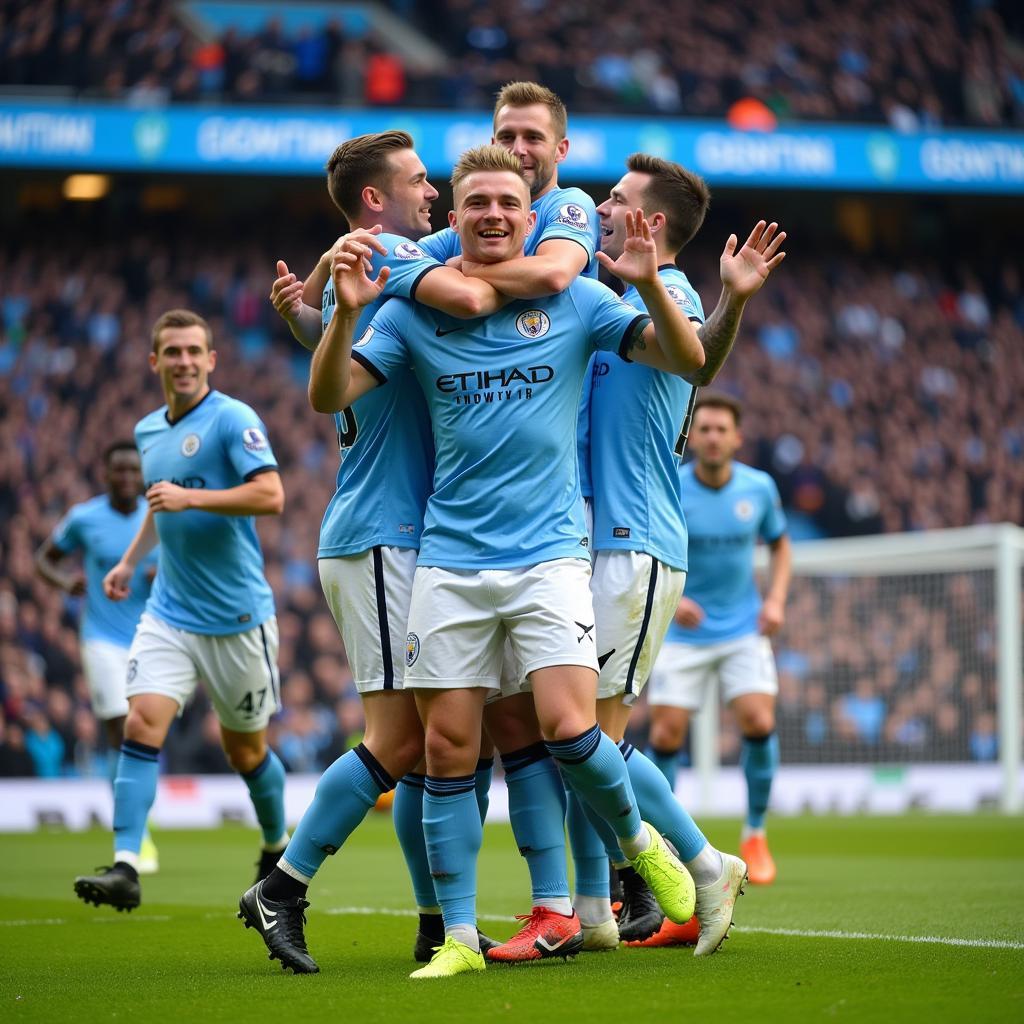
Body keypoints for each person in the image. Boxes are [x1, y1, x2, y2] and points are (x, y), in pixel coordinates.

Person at [310, 144, 706, 980]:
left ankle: (642, 846)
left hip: (549, 556)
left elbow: (684, 360)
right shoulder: (411, 310)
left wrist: (654, 286)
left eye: (506, 203)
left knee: (570, 727)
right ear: (453, 220)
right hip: (449, 561)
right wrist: (342, 313)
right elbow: (328, 395)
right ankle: (458, 938)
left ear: (532, 217)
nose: (491, 213)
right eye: (475, 202)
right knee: (449, 746)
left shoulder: (584, 299)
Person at [243, 130, 507, 974]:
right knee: (403, 745)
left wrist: (312, 299)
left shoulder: (378, 267)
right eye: (420, 181)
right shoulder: (396, 257)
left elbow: (341, 337)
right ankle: (283, 885)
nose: (435, 194)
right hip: (385, 537)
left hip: (399, 537)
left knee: (439, 748)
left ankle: (438, 924)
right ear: (375, 200)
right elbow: (468, 291)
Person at [581, 158, 787, 953]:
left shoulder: (673, 293)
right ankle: (602, 905)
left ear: (651, 223)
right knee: (574, 736)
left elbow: (700, 353)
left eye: (619, 199)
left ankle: (699, 864)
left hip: (634, 545)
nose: (603, 205)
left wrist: (733, 296)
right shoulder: (605, 294)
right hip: (589, 542)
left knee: (586, 736)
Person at [73, 309, 287, 912]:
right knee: (141, 725)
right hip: (169, 610)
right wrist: (128, 561)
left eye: (195, 351)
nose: (185, 362)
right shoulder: (146, 432)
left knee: (245, 751)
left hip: (239, 618)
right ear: (155, 362)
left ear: (211, 359)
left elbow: (271, 494)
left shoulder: (233, 419)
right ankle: (126, 864)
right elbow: (158, 506)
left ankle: (276, 844)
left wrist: (192, 495)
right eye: (173, 352)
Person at [646, 392, 792, 886]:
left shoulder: (759, 487)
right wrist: (674, 594)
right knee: (666, 734)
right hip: (683, 631)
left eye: (719, 429)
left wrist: (774, 601)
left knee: (757, 718)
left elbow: (780, 545)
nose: (711, 437)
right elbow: (651, 545)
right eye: (703, 429)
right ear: (693, 435)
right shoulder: (673, 485)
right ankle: (664, 843)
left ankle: (755, 831)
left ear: (736, 437)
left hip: (742, 628)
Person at [36, 441, 161, 873]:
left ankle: (135, 817)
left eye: (133, 470)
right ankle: (134, 833)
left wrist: (161, 574)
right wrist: (64, 582)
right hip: (102, 638)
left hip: (151, 637)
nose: (127, 477)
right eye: (119, 470)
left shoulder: (158, 517)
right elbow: (44, 559)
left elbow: (183, 566)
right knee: (120, 731)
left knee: (145, 733)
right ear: (105, 474)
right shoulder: (84, 518)